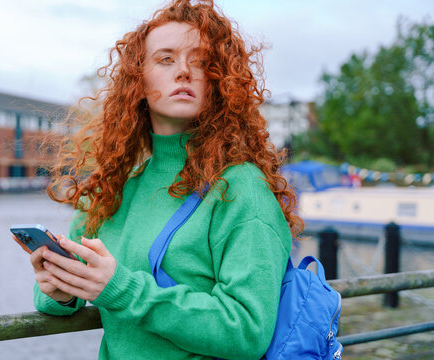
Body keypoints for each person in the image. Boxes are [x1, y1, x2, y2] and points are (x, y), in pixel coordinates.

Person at [29, 1, 303, 359]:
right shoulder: (113, 187)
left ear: (219, 82)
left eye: (202, 61)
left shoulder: (241, 188)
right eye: (166, 59)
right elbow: (56, 301)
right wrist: (59, 288)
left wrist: (122, 289)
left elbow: (248, 331)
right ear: (138, 81)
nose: (185, 71)